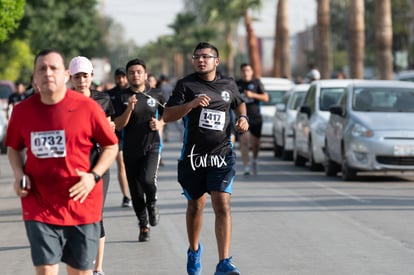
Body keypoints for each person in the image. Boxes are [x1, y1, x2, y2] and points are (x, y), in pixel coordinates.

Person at [5, 49, 118, 275]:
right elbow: (13, 148)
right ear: (34, 77)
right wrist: (18, 174)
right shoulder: (22, 111)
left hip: (81, 201)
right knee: (46, 269)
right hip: (39, 203)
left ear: (65, 75)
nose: (48, 73)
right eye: (41, 69)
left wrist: (93, 176)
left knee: (79, 272)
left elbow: (111, 146)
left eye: (53, 68)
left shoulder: (88, 108)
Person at [163, 42, 248, 275]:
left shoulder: (228, 84)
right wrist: (190, 104)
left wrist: (243, 120)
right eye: (197, 57)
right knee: (195, 206)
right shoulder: (186, 85)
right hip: (193, 157)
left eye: (206, 56)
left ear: (216, 61)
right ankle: (193, 250)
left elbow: (240, 105)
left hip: (222, 154)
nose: (201, 60)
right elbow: (168, 115)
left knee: (222, 203)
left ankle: (224, 261)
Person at [68, 56, 116, 275]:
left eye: (85, 76)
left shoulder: (103, 100)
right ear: (70, 78)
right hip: (72, 166)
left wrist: (110, 126)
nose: (81, 80)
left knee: (97, 215)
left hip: (97, 165)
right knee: (73, 215)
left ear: (92, 77)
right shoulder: (64, 101)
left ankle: (98, 267)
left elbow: (111, 130)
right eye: (77, 76)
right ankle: (78, 264)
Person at [112, 58, 164, 242]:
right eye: (132, 72)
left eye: (139, 72)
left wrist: (160, 123)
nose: (135, 75)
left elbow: (169, 114)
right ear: (127, 76)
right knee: (135, 191)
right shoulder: (120, 98)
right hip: (129, 149)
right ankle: (143, 226)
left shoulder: (156, 94)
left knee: (148, 180)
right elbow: (117, 125)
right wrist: (129, 109)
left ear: (145, 74)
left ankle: (152, 203)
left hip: (152, 146)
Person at [236, 63, 269, 176]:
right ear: (241, 72)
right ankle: (246, 166)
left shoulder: (257, 83)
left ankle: (254, 159)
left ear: (252, 72)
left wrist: (252, 95)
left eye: (248, 70)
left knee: (255, 144)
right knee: (244, 141)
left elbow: (265, 97)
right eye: (244, 70)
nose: (246, 72)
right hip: (242, 116)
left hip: (255, 117)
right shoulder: (237, 84)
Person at [107, 67, 132, 208]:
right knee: (121, 164)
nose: (121, 80)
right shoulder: (109, 95)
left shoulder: (132, 93)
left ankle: (136, 192)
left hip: (132, 135)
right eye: (118, 77)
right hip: (116, 134)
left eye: (123, 77)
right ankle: (126, 196)